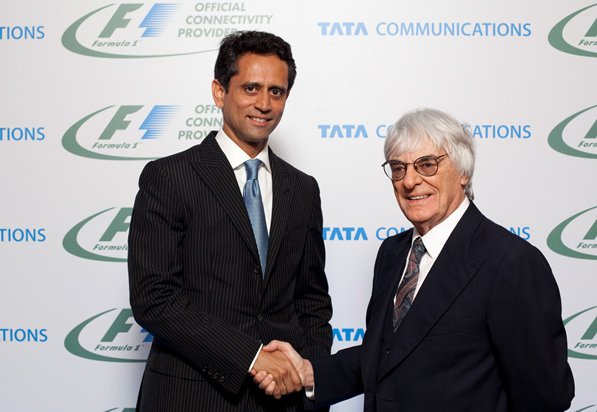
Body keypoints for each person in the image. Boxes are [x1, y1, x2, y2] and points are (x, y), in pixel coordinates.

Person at [254, 108, 575, 411]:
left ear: (463, 172)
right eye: (398, 168)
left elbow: (545, 395)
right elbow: (389, 355)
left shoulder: (511, 262)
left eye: (427, 165)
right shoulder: (392, 253)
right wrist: (309, 372)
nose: (409, 181)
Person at [128, 30, 333, 412]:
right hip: (190, 398)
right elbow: (154, 299)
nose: (264, 104)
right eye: (251, 88)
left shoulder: (303, 189)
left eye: (276, 91)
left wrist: (310, 375)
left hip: (282, 401)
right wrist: (251, 357)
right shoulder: (170, 177)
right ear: (219, 92)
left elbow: (312, 301)